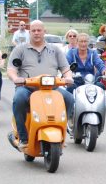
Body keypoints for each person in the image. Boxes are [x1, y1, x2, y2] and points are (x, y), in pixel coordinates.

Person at [7, 20, 74, 152]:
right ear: (29, 32)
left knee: (69, 98)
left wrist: (68, 77)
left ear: (44, 31)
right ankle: (23, 137)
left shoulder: (55, 50)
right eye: (33, 30)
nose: (36, 33)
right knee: (19, 99)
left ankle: (63, 129)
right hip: (27, 87)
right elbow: (11, 69)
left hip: (51, 88)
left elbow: (66, 68)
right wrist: (15, 78)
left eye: (39, 30)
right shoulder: (20, 49)